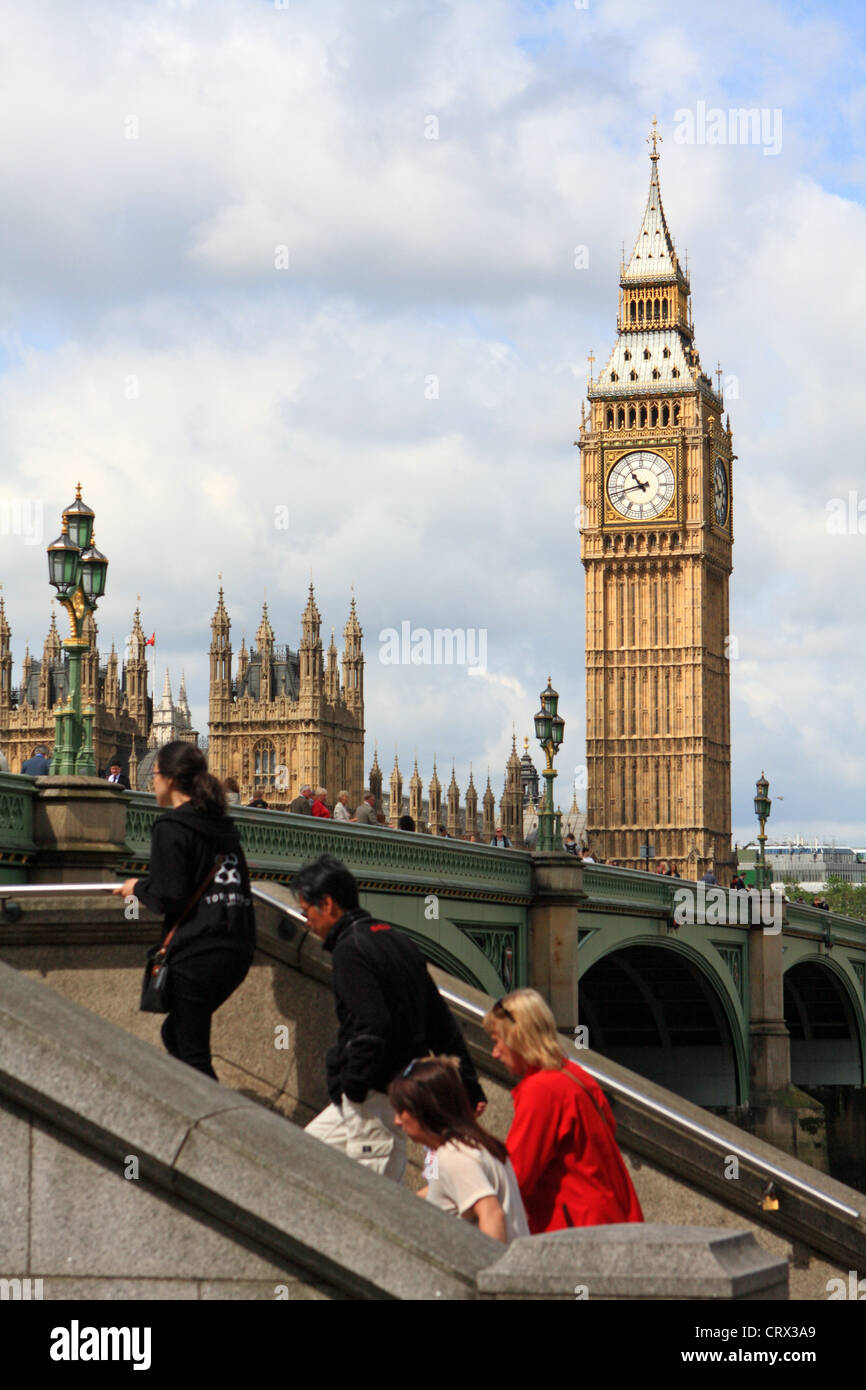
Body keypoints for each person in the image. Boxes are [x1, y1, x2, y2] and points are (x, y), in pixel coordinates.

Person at [293, 854, 486, 1182]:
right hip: (366, 1098)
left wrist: (354, 1086)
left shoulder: (349, 950)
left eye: (306, 912)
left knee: (374, 1208)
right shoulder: (396, 939)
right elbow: (441, 1022)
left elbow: (372, 1026)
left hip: (373, 1100)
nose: (306, 922)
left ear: (327, 904)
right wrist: (469, 1085)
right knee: (293, 1159)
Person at [113, 741, 256, 1079]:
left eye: (157, 774)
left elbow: (169, 897)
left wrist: (137, 888)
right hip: (238, 947)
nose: (154, 781)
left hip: (199, 952)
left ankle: (224, 1127)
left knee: (194, 1054)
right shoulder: (223, 826)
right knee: (175, 1034)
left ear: (171, 779)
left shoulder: (172, 827)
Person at [483, 988, 643, 1234]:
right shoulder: (575, 1075)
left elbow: (517, 1175)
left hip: (572, 1227)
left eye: (496, 1041)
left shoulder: (541, 1090)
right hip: (608, 1217)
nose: (494, 1053)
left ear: (517, 1037)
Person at [388, 1057, 529, 1243]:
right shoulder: (471, 1144)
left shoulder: (454, 1157)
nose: (396, 1121)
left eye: (401, 1110)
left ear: (424, 1109)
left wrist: (488, 1271)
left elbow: (491, 1213)